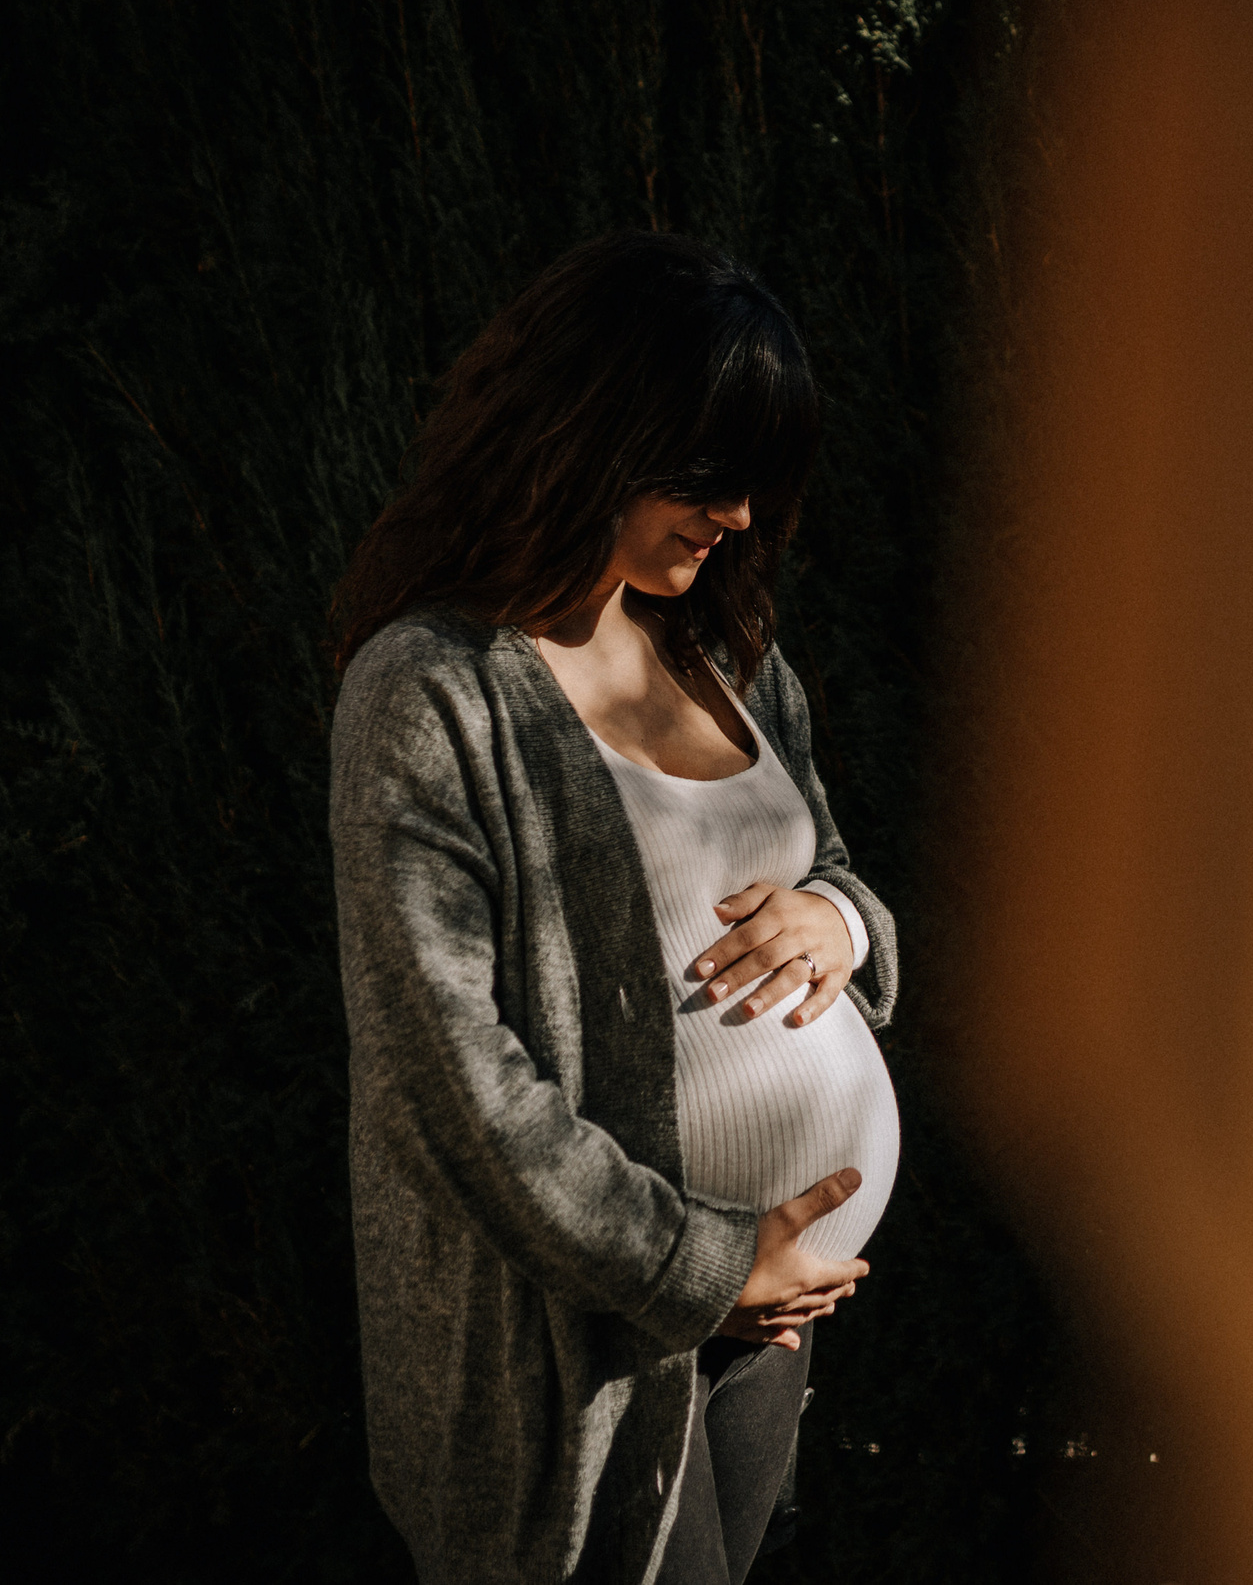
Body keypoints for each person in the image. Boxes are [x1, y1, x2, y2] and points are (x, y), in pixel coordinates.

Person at [327, 230, 902, 1585]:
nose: (742, 517)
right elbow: (461, 1082)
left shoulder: (733, 660)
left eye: (762, 481)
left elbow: (838, 875)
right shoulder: (435, 691)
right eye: (711, 475)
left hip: (770, 1315)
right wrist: (707, 1264)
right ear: (589, 434)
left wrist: (847, 921)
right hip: (577, 1343)